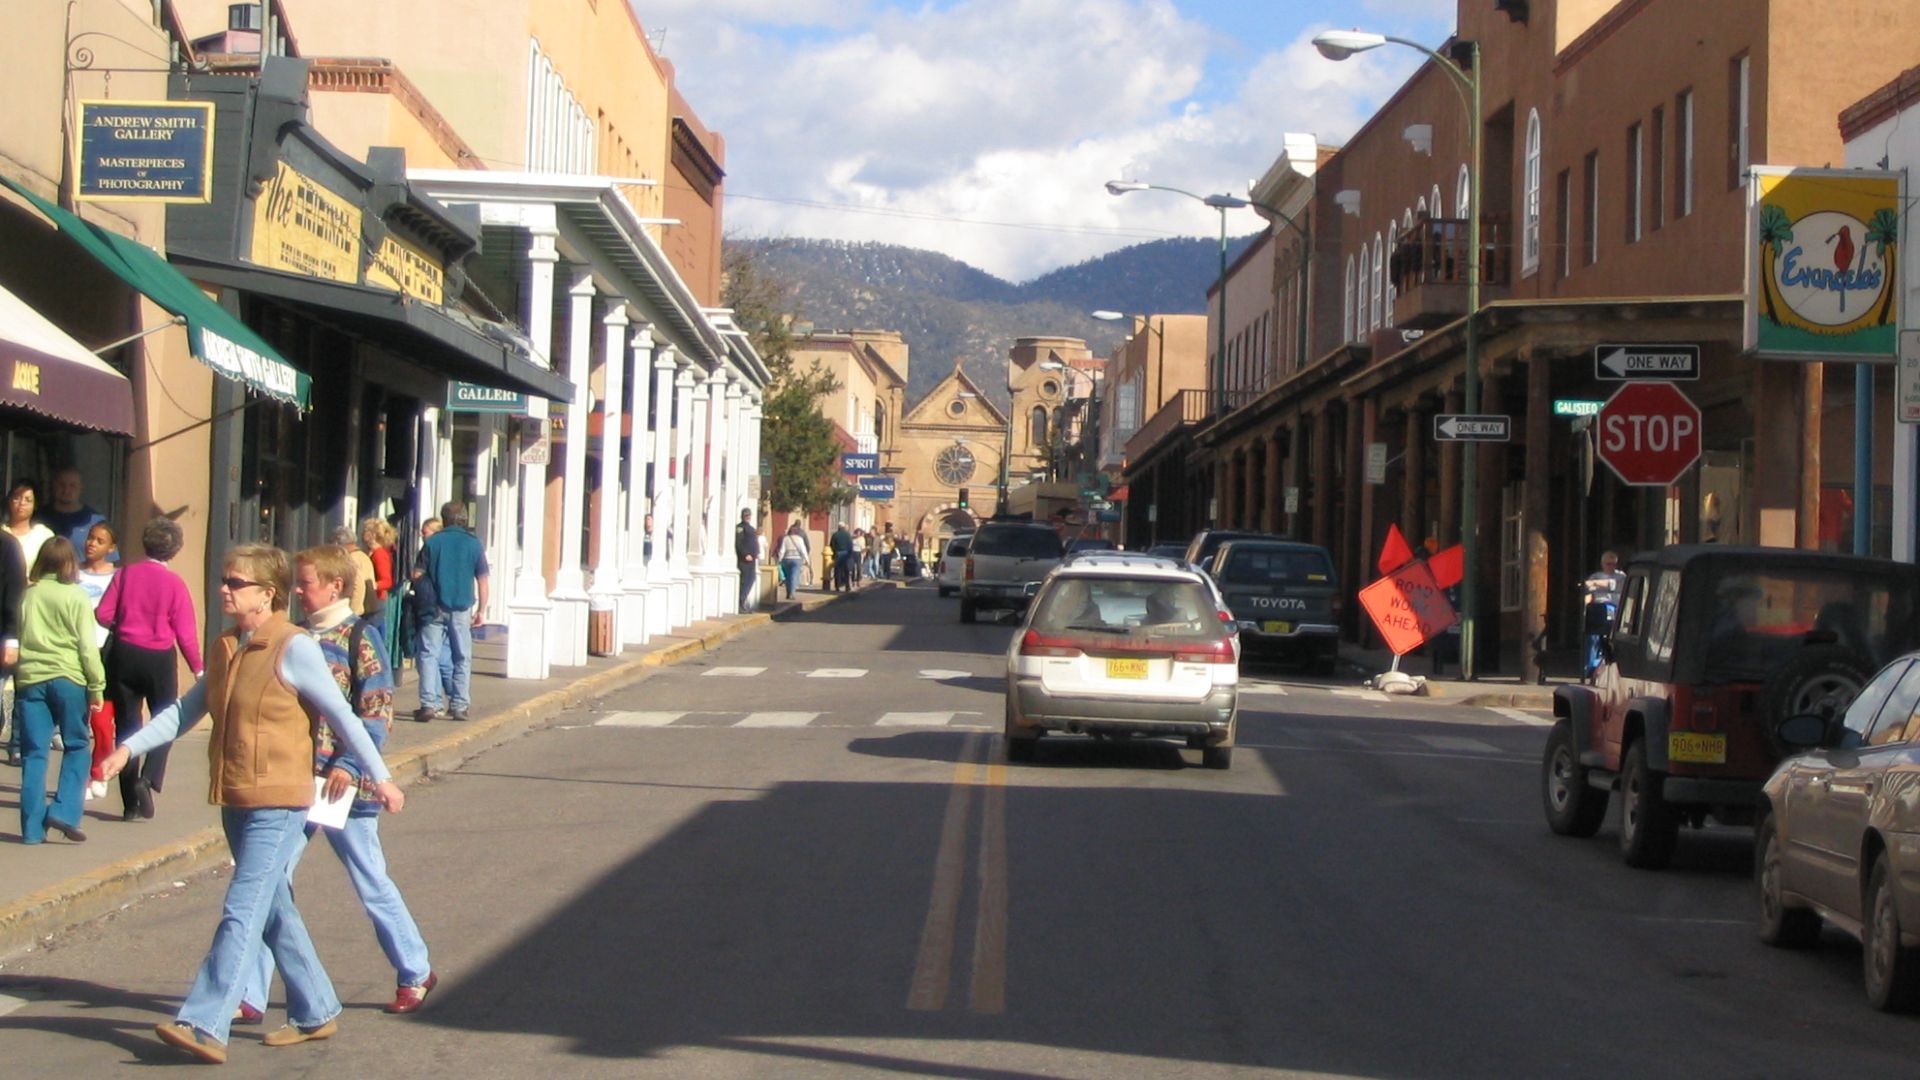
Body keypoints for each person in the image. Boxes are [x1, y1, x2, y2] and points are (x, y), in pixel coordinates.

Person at [102, 543, 406, 1063]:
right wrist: (128, 748)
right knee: (274, 909)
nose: (224, 589)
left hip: (281, 800)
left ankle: (204, 1021)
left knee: (242, 908)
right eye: (224, 579)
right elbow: (184, 711)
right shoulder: (226, 646)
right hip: (236, 796)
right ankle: (316, 1008)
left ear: (267, 594)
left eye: (235, 583)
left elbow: (346, 716)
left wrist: (381, 778)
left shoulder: (294, 647)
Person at [235, 545, 434, 1024]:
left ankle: (414, 970)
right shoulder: (295, 637)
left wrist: (348, 762)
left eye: (306, 583)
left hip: (345, 785)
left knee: (369, 879)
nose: (299, 592)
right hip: (296, 780)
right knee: (272, 882)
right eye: (298, 584)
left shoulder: (360, 637)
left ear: (335, 586)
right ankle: (250, 992)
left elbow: (377, 710)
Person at [96, 516, 204, 822]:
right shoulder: (175, 584)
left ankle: (130, 802)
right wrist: (197, 667)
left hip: (125, 654)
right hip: (158, 656)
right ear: (175, 550)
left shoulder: (125, 575)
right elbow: (185, 632)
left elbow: (103, 614)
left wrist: (123, 623)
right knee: (166, 718)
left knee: (127, 725)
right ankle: (150, 776)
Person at [14, 537, 103, 844]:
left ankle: (31, 829)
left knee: (35, 754)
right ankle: (64, 811)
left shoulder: (29, 594)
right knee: (77, 745)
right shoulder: (76, 596)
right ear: (69, 563)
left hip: (31, 679)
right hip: (69, 678)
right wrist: (97, 685)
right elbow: (87, 647)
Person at [415, 502, 488, 723]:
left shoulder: (433, 542)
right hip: (462, 606)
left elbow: (417, 574)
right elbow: (483, 580)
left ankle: (429, 704)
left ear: (444, 519)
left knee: (429, 654)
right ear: (464, 520)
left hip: (434, 606)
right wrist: (482, 610)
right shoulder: (473, 544)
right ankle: (459, 705)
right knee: (461, 656)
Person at [40, 466, 107, 555]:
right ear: (54, 486)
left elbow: (107, 561)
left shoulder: (96, 521)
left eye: (72, 486)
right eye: (61, 485)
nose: (66, 490)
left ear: (81, 487)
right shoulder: (40, 517)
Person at [1580, 551, 1626, 680]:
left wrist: (1598, 584)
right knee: (1593, 638)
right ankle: (1590, 667)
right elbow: (1588, 592)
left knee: (1609, 638)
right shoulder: (1595, 576)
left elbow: (1616, 585)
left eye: (1613, 564)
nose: (1611, 566)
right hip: (1597, 608)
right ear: (1602, 564)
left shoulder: (1621, 576)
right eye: (1608, 564)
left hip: (1613, 609)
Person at [330, 527, 379, 618]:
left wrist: (353, 612)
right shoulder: (363, 556)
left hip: (358, 612)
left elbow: (358, 586)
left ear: (338, 543)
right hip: (370, 607)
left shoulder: (351, 559)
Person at [734, 508, 758, 612]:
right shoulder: (740, 528)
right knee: (744, 581)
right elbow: (738, 543)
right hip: (745, 560)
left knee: (751, 579)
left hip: (752, 560)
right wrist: (745, 554)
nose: (747, 517)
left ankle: (743, 600)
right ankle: (741, 603)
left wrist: (756, 553)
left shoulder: (751, 528)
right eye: (746, 515)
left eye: (749, 515)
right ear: (742, 516)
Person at [777, 523, 809, 600]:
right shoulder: (799, 539)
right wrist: (807, 560)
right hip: (797, 559)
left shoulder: (786, 539)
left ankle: (788, 592)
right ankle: (791, 593)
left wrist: (779, 559)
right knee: (794, 576)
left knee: (788, 577)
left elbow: (782, 550)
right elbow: (803, 550)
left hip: (786, 559)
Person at [829, 523, 853, 593]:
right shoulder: (847, 535)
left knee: (838, 571)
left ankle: (837, 586)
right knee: (846, 571)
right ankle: (847, 587)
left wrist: (834, 553)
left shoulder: (835, 535)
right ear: (843, 527)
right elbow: (850, 545)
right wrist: (850, 554)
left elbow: (832, 545)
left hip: (838, 553)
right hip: (846, 553)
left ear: (838, 527)